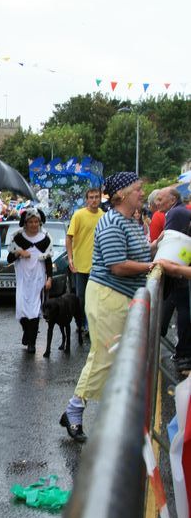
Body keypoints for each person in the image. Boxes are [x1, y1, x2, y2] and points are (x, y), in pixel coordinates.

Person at [59, 172, 154, 442]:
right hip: (107, 297)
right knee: (103, 357)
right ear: (121, 194)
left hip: (121, 297)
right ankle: (74, 411)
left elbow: (140, 253)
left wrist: (159, 248)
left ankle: (104, 415)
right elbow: (118, 265)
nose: (142, 193)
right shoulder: (112, 222)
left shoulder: (131, 221)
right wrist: (154, 266)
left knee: (112, 358)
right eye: (137, 189)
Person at [7, 207, 53, 354]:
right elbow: (9, 258)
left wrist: (49, 278)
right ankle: (26, 331)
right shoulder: (18, 238)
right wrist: (19, 252)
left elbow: (48, 260)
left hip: (38, 280)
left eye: (36, 222)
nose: (34, 225)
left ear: (40, 223)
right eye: (31, 222)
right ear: (25, 223)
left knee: (35, 310)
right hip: (22, 279)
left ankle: (32, 343)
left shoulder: (45, 239)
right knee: (22, 310)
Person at [156, 187, 191, 372]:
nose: (157, 202)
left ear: (172, 199)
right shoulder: (178, 211)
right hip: (180, 272)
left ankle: (183, 353)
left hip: (179, 274)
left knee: (181, 309)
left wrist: (174, 268)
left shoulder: (176, 213)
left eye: (161, 199)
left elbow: (172, 242)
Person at [65, 187, 103, 332]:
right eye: (91, 197)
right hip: (81, 265)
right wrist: (70, 259)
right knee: (81, 298)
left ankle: (91, 324)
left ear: (100, 199)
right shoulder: (78, 215)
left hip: (99, 265)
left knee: (96, 297)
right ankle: (81, 322)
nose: (94, 200)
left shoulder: (104, 215)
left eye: (96, 197)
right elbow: (69, 237)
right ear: (87, 200)